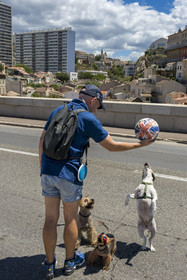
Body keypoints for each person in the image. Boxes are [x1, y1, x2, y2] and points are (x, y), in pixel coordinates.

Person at [39, 84, 155, 279]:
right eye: (98, 106)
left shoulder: (58, 110)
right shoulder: (87, 117)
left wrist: (43, 168)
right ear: (93, 100)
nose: (97, 110)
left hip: (48, 171)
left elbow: (42, 140)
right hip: (69, 174)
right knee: (70, 218)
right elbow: (112, 146)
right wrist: (139, 144)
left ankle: (49, 264)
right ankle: (69, 261)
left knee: (50, 219)